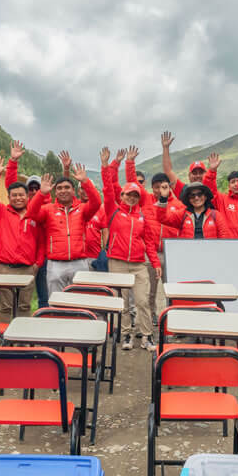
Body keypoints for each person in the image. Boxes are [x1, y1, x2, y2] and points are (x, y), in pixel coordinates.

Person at [101, 146, 161, 350]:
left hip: (138, 265)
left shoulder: (142, 216)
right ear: (123, 195)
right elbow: (108, 189)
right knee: (123, 303)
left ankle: (146, 336)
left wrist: (155, 263)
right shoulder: (113, 210)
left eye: (135, 195)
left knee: (143, 301)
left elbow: (150, 243)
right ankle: (126, 335)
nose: (132, 198)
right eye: (129, 195)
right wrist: (108, 165)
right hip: (117, 262)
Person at [0, 141, 42, 324]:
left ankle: (23, 341)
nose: (18, 198)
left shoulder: (35, 215)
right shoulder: (0, 212)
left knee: (24, 306)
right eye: (14, 195)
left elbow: (41, 242)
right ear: (8, 198)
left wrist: (37, 265)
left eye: (21, 195)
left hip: (27, 269)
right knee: (5, 307)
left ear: (27, 196)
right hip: (5, 268)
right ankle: (6, 341)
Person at [26, 162, 102, 293]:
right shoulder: (48, 210)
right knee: (56, 303)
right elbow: (31, 213)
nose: (63, 190)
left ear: (73, 191)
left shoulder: (82, 209)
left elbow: (96, 202)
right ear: (55, 192)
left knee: (80, 302)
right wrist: (41, 193)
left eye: (67, 187)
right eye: (59, 188)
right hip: (55, 264)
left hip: (79, 262)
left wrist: (85, 181)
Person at [147, 172, 181, 323]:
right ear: (152, 188)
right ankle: (150, 315)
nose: (160, 190)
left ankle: (171, 316)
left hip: (171, 253)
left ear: (169, 187)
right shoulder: (146, 202)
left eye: (163, 187)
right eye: (156, 187)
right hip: (151, 253)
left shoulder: (179, 205)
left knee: (172, 289)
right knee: (150, 289)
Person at [156, 180, 232, 239]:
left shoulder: (216, 215)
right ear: (189, 199)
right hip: (188, 257)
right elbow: (162, 218)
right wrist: (163, 198)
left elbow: (225, 238)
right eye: (192, 195)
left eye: (199, 194)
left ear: (205, 197)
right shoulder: (183, 214)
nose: (196, 198)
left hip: (210, 257)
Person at [202, 152, 238, 238]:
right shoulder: (222, 199)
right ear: (229, 185)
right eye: (233, 182)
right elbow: (209, 190)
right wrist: (212, 171)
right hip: (226, 244)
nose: (236, 184)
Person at [25, 174, 50, 309]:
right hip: (25, 260)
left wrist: (39, 261)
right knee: (23, 297)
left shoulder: (49, 207)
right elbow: (11, 187)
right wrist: (13, 162)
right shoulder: (23, 207)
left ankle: (44, 322)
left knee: (44, 296)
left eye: (37, 188)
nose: (34, 191)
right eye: (31, 188)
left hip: (44, 259)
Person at [160, 130, 207, 198]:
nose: (198, 176)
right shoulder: (183, 190)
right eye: (194, 173)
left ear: (206, 174)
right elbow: (168, 171)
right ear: (189, 175)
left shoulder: (211, 190)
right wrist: (165, 148)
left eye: (201, 173)